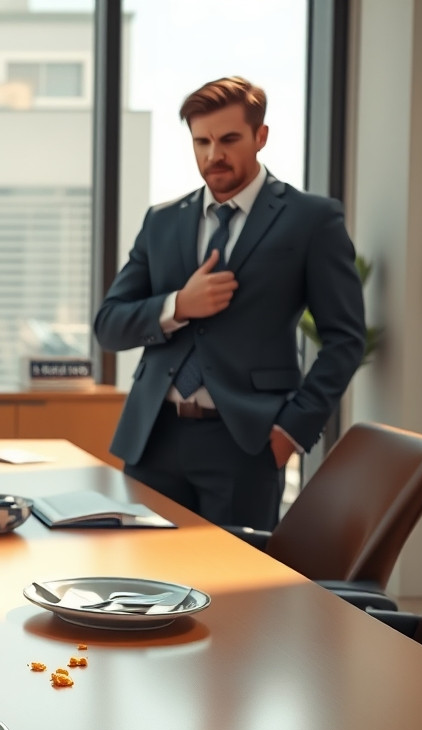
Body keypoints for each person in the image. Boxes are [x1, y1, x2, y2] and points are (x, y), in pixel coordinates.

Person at [93, 76, 365, 531]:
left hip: (247, 443)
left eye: (228, 139)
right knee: (143, 587)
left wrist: (291, 432)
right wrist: (179, 304)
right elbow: (109, 325)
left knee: (235, 591)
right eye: (201, 141)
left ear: (260, 137)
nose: (213, 154)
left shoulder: (311, 220)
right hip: (153, 438)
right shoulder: (161, 222)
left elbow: (346, 339)